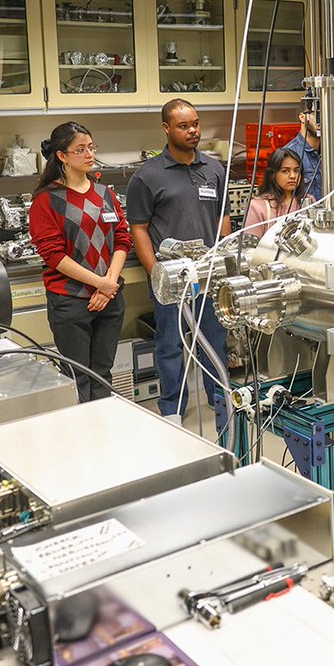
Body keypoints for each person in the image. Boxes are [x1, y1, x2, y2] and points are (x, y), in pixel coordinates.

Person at [127, 99, 231, 425]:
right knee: (170, 346)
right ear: (166, 129)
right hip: (170, 280)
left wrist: (220, 261)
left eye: (196, 124)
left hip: (207, 276)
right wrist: (156, 272)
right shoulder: (147, 177)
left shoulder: (214, 169)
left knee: (214, 344)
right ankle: (172, 409)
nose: (193, 131)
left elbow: (223, 219)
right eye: (184, 126)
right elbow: (139, 229)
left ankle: (223, 403)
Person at [28, 122, 130, 402]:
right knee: (78, 376)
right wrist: (101, 284)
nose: (89, 154)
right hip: (71, 302)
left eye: (91, 147)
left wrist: (109, 284)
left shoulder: (105, 194)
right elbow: (53, 255)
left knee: (102, 373)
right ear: (62, 156)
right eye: (80, 150)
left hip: (109, 299)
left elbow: (122, 239)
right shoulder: (46, 201)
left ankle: (103, 434)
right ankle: (82, 439)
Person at [245, 148, 315, 231]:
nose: (293, 176)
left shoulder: (309, 201)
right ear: (272, 174)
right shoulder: (258, 206)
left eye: (296, 171)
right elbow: (251, 243)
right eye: (285, 171)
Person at [280, 107, 323, 201]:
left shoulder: (333, 152)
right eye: (318, 114)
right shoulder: (289, 154)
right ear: (302, 117)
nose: (323, 120)